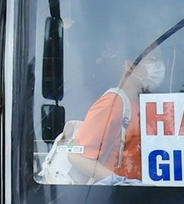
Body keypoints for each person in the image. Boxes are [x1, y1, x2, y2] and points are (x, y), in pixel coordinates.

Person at [69, 43, 163, 183]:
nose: (159, 66)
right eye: (153, 59)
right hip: (114, 198)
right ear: (130, 67)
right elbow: (78, 156)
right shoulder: (113, 103)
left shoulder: (141, 105)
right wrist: (119, 182)